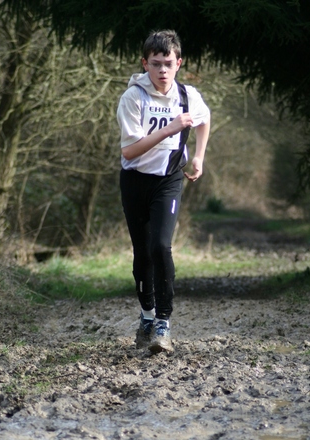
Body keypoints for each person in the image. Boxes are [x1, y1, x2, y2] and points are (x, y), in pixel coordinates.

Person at [117, 29, 210, 353]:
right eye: (155, 64)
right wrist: (170, 129)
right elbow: (129, 151)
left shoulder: (187, 96)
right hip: (135, 180)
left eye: (168, 64)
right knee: (142, 252)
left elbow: (204, 119)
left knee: (160, 246)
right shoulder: (133, 98)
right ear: (145, 64)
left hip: (169, 179)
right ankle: (146, 316)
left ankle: (163, 324)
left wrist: (198, 157)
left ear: (178, 63)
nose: (162, 71)